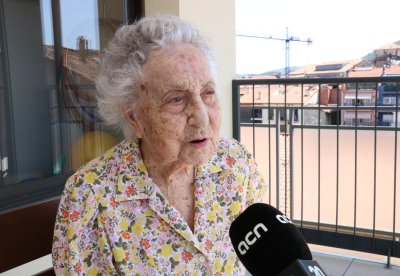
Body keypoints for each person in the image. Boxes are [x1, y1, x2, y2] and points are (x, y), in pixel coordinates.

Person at [52, 15, 266, 275]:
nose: (202, 118)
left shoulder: (236, 163)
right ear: (134, 117)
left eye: (208, 93)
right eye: (176, 99)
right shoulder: (90, 197)